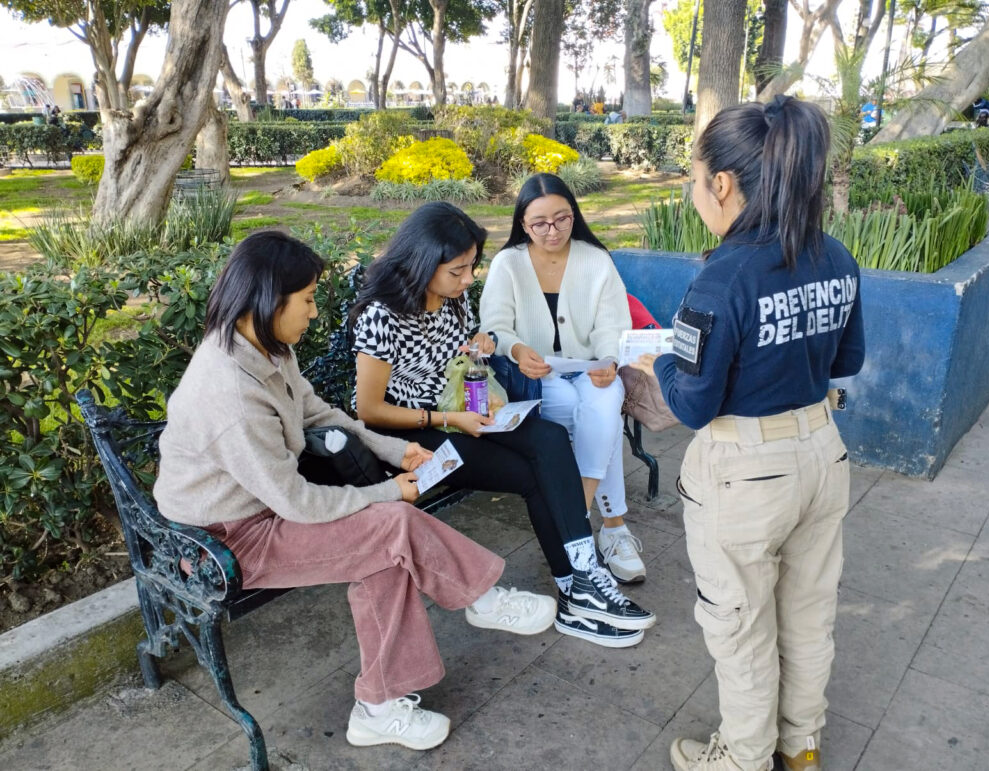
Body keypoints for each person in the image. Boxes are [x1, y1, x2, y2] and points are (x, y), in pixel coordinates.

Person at [153, 231, 559, 752]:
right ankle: (478, 598)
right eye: (307, 300)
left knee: (387, 552)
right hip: (223, 542)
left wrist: (396, 451)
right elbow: (297, 502)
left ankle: (379, 706)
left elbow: (317, 412)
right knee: (393, 527)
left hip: (261, 509)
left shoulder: (262, 347)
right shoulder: (231, 393)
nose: (315, 313)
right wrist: (389, 491)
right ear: (268, 301)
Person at [632, 96, 865, 771]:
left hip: (745, 472)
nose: (693, 190)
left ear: (724, 184)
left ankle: (743, 757)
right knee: (808, 613)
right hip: (823, 454)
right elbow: (844, 362)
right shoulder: (835, 255)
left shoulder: (721, 277)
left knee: (740, 625)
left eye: (695, 177)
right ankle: (801, 744)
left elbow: (696, 403)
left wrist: (662, 363)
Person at [351, 202, 656, 649]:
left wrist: (481, 368)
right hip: (412, 436)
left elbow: (458, 366)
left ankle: (581, 580)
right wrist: (450, 418)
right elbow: (370, 411)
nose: (468, 279)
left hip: (459, 415)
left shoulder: (451, 301)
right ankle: (578, 592)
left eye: (471, 267)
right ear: (422, 264)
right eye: (458, 270)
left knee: (550, 439)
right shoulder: (383, 315)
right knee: (535, 473)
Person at [480, 173, 646, 585]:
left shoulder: (595, 258)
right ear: (522, 223)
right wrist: (517, 350)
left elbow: (613, 322)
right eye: (540, 223)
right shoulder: (508, 263)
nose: (552, 231)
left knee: (604, 408)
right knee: (579, 413)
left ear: (575, 215)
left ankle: (578, 521)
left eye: (562, 219)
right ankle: (612, 529)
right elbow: (495, 326)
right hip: (536, 372)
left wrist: (609, 359)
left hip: (592, 367)